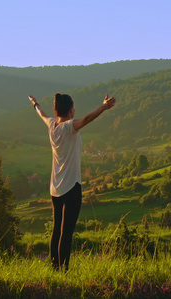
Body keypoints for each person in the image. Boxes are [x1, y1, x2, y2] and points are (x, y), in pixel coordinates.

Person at [28, 92, 116, 271]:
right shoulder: (69, 126)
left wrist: (35, 104)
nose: (75, 110)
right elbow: (87, 118)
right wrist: (103, 107)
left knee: (56, 230)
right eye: (73, 107)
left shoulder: (52, 125)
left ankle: (55, 269)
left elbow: (42, 115)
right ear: (69, 110)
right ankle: (64, 272)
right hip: (71, 187)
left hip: (55, 187)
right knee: (66, 233)